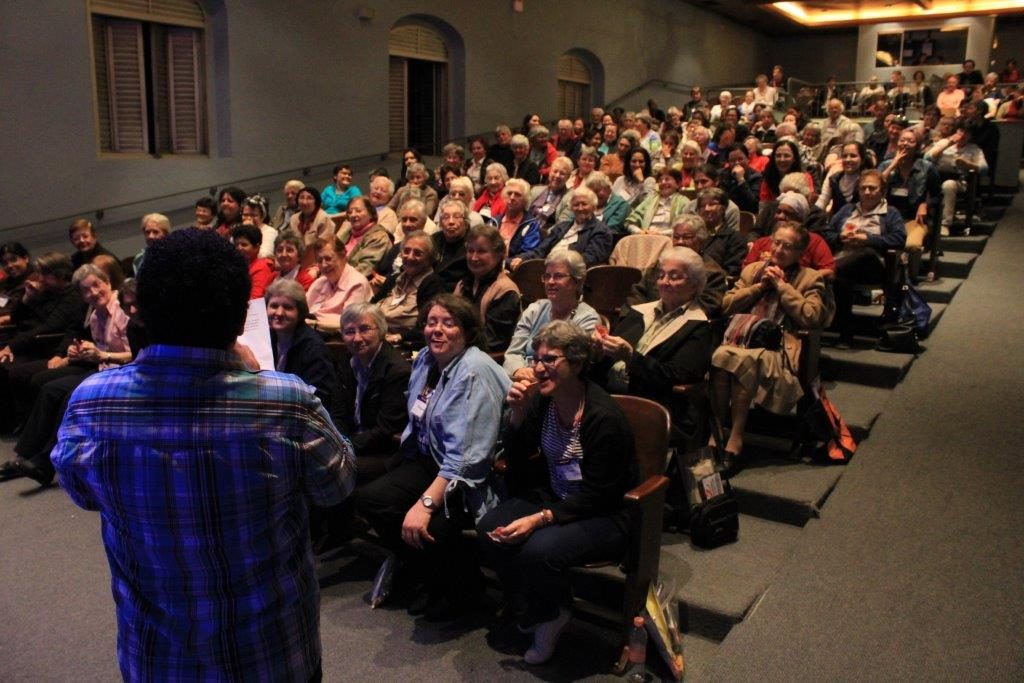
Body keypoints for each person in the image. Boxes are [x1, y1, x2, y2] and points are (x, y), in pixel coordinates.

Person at [50, 229, 355, 680]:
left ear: (142, 311)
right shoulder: (286, 403)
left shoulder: (92, 404)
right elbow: (337, 486)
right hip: (271, 654)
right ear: (241, 320)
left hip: (157, 656)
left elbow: (83, 494)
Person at [479, 321, 636, 665]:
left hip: (605, 513)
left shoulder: (602, 417)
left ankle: (552, 614)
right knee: (490, 529)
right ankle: (532, 606)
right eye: (536, 358)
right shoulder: (544, 401)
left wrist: (539, 519)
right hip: (556, 497)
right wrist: (517, 415)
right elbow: (518, 460)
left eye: (550, 359)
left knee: (537, 549)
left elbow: (600, 494)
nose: (538, 367)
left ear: (577, 363)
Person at [356, 294, 511, 619]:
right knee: (373, 500)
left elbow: (468, 458)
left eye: (448, 323)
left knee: (432, 526)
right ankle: (427, 573)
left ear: (467, 331)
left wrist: (425, 505)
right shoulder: (427, 359)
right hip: (430, 459)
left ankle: (465, 590)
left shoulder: (474, 371)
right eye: (431, 322)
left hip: (472, 478)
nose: (436, 330)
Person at [710, 222, 834, 474]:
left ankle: (734, 437)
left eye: (787, 246)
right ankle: (718, 432)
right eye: (776, 243)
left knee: (735, 359)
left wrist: (782, 287)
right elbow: (725, 305)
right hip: (740, 339)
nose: (778, 250)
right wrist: (759, 287)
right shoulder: (753, 270)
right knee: (722, 355)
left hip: (778, 347)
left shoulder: (811, 278)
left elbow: (812, 317)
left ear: (800, 252)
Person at [6, 263, 131, 485]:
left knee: (71, 396)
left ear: (107, 282)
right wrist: (82, 350)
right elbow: (100, 351)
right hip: (104, 369)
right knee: (50, 389)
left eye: (96, 285)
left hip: (125, 372)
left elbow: (135, 352)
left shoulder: (123, 310)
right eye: (86, 290)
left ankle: (44, 463)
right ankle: (24, 455)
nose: (93, 293)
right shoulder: (95, 316)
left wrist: (102, 354)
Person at [592, 247, 712, 445]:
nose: (665, 282)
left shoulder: (699, 326)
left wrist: (630, 357)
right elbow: (606, 360)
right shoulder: (639, 312)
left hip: (653, 403)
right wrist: (597, 351)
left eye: (675, 277)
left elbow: (673, 376)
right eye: (661, 275)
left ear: (694, 285)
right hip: (608, 391)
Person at [828, 170, 907, 346]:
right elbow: (827, 233)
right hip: (844, 263)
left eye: (872, 188)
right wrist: (840, 238)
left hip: (873, 266)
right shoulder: (847, 210)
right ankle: (845, 334)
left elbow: (899, 239)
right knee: (841, 280)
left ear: (882, 191)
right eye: (863, 188)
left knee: (865, 253)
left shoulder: (890, 213)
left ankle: (826, 270)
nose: (867, 192)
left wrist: (868, 239)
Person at [335, 303, 412, 481]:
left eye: (364, 329)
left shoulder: (397, 371)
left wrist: (344, 447)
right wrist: (337, 441)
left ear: (381, 330)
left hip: (384, 453)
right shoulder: (347, 361)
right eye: (349, 331)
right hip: (352, 444)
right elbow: (338, 413)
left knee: (328, 470)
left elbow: (385, 429)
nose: (357, 338)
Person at [504, 249, 599, 379]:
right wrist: (518, 370)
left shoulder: (588, 319)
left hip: (558, 384)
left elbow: (572, 367)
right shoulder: (535, 310)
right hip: (520, 379)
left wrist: (537, 375)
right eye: (547, 276)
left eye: (558, 276)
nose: (550, 282)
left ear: (577, 281)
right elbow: (513, 352)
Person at [627, 215, 729, 317]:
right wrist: (636, 317)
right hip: (647, 318)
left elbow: (706, 307)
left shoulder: (712, 272)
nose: (680, 242)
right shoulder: (662, 263)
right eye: (676, 237)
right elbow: (637, 293)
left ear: (701, 241)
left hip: (683, 322)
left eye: (686, 237)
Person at [266, 278, 340, 410]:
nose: (279, 313)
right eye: (274, 306)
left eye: (288, 307)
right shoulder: (266, 338)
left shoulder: (315, 348)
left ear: (300, 312)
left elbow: (319, 398)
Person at [454, 225, 521, 353]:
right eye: (470, 251)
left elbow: (493, 343)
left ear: (498, 255)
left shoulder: (506, 291)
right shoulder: (463, 284)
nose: (474, 257)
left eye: (481, 251)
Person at [372, 230, 446, 348]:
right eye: (406, 251)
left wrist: (400, 337)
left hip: (401, 345)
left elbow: (429, 326)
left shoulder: (433, 284)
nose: (410, 257)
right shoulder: (394, 279)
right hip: (374, 336)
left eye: (417, 253)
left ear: (429, 258)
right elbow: (370, 306)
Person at [512, 187, 613, 268]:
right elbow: (540, 250)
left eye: (584, 204)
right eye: (576, 205)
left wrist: (559, 265)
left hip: (573, 275)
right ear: (571, 208)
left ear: (594, 206)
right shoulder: (562, 227)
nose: (580, 208)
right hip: (545, 267)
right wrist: (522, 258)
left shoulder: (601, 231)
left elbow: (590, 259)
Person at [879, 129, 941, 254]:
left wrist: (925, 205)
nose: (905, 143)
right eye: (902, 140)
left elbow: (938, 196)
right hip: (887, 218)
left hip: (914, 219)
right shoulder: (886, 165)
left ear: (917, 146)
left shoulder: (927, 167)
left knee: (911, 245)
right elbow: (875, 185)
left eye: (910, 141)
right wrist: (893, 166)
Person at [925, 122, 988, 235]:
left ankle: (944, 224)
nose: (962, 135)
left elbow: (984, 168)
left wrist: (968, 164)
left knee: (948, 185)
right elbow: (927, 157)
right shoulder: (944, 142)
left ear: (971, 136)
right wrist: (948, 144)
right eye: (961, 131)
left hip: (959, 181)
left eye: (966, 133)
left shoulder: (974, 149)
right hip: (937, 177)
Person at [305, 235, 371, 331]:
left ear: (343, 255)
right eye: (319, 261)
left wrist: (314, 324)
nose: (324, 265)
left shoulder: (358, 284)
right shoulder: (319, 283)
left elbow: (349, 325)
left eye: (328, 258)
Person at [694, 188, 748, 277]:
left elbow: (732, 271)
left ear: (723, 208)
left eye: (712, 204)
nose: (707, 209)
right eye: (702, 206)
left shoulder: (735, 238)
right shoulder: (692, 235)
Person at [335, 196, 392, 277]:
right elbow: (329, 252)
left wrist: (335, 277)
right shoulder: (346, 231)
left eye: (358, 211)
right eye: (350, 212)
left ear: (371, 213)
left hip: (354, 280)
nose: (353, 215)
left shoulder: (379, 237)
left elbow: (364, 269)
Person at [624, 167, 690, 235]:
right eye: (660, 180)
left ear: (678, 184)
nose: (663, 182)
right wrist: (640, 232)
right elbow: (630, 222)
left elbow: (687, 228)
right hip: (646, 237)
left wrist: (660, 234)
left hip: (670, 239)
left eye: (667, 179)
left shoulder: (684, 202)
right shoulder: (650, 200)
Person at [816, 142, 875, 215]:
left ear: (862, 160)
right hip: (837, 220)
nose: (848, 159)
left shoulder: (869, 181)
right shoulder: (834, 178)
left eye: (853, 156)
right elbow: (822, 201)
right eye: (844, 156)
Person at [231, 225, 275, 300]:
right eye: (236, 245)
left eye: (244, 245)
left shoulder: (261, 268)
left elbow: (256, 300)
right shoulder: (235, 264)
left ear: (257, 247)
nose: (239, 248)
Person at [289, 186, 336, 251]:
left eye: (309, 198)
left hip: (318, 253)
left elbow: (323, 245)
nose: (304, 202)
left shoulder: (323, 218)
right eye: (301, 198)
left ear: (316, 202)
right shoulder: (293, 218)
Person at [241, 194, 279, 259]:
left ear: (262, 217)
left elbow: (265, 254)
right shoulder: (238, 230)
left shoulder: (270, 232)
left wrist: (249, 231)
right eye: (245, 215)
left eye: (253, 215)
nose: (249, 218)